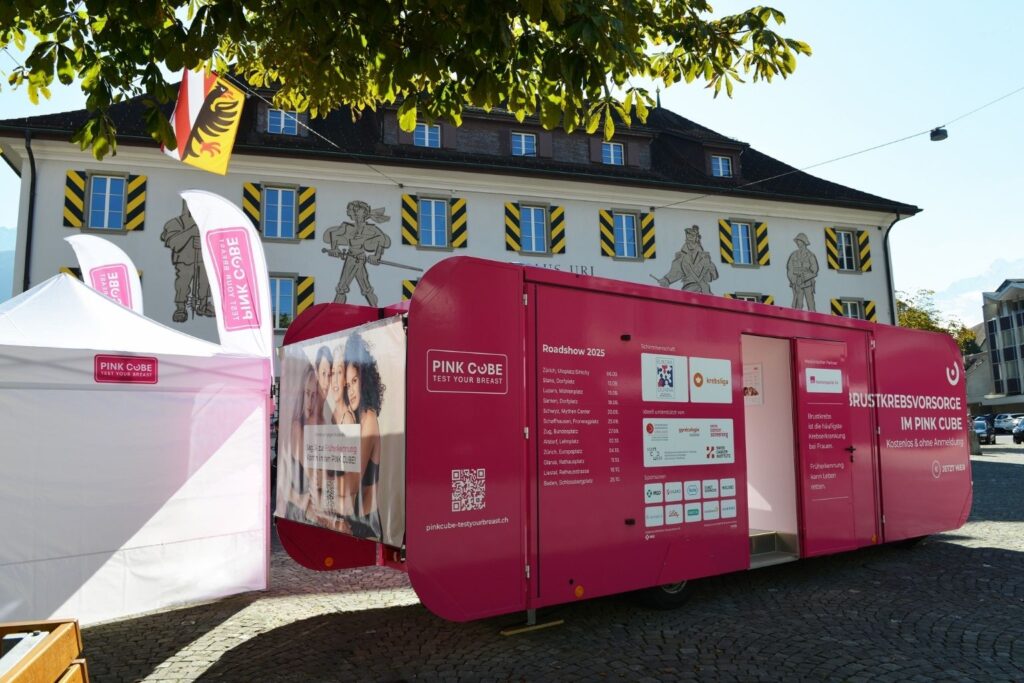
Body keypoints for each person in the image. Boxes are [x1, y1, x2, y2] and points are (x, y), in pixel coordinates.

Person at [339, 332, 385, 538]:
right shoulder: (357, 420)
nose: (350, 391)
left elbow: (350, 485)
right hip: (355, 520)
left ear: (365, 380)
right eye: (347, 385)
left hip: (367, 525)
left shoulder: (369, 420)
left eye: (354, 381)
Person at [322, 200, 392, 307]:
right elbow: (334, 234)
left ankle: (374, 308)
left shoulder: (371, 229)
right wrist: (334, 249)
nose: (349, 213)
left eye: (351, 211)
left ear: (360, 213)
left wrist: (376, 256)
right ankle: (337, 309)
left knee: (355, 286)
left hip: (360, 258)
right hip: (350, 257)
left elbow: (382, 240)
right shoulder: (346, 227)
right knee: (350, 286)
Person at [160, 202, 214, 322]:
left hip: (203, 259)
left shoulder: (207, 223)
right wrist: (191, 232)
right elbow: (173, 243)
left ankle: (203, 305)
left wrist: (204, 244)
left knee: (205, 282)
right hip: (184, 260)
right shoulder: (174, 223)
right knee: (182, 284)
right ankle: (180, 308)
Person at [657, 225, 719, 293]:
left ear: (697, 239)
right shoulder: (682, 256)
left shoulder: (704, 256)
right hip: (689, 288)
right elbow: (676, 271)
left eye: (692, 237)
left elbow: (714, 276)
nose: (690, 240)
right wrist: (666, 280)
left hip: (704, 290)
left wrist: (710, 267)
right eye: (688, 237)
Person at [787, 232, 818, 311]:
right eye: (797, 241)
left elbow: (815, 270)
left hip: (807, 282)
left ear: (804, 242)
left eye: (799, 241)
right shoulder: (794, 255)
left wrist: (805, 277)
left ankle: (813, 321)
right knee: (798, 304)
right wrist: (793, 280)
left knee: (810, 303)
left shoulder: (810, 255)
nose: (797, 243)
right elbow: (789, 268)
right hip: (797, 282)